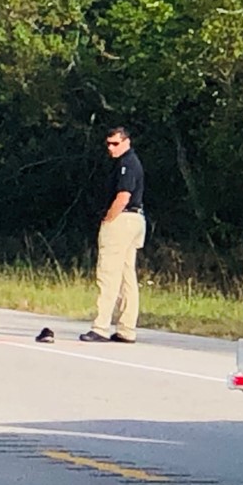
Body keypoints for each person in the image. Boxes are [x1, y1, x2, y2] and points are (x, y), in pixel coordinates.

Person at [79, 126, 146, 344]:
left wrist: (108, 218)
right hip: (136, 220)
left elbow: (123, 196)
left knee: (108, 273)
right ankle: (127, 329)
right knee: (127, 276)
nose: (111, 148)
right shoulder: (130, 162)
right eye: (108, 144)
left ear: (126, 142)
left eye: (115, 143)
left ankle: (101, 326)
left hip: (123, 219)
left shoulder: (127, 163)